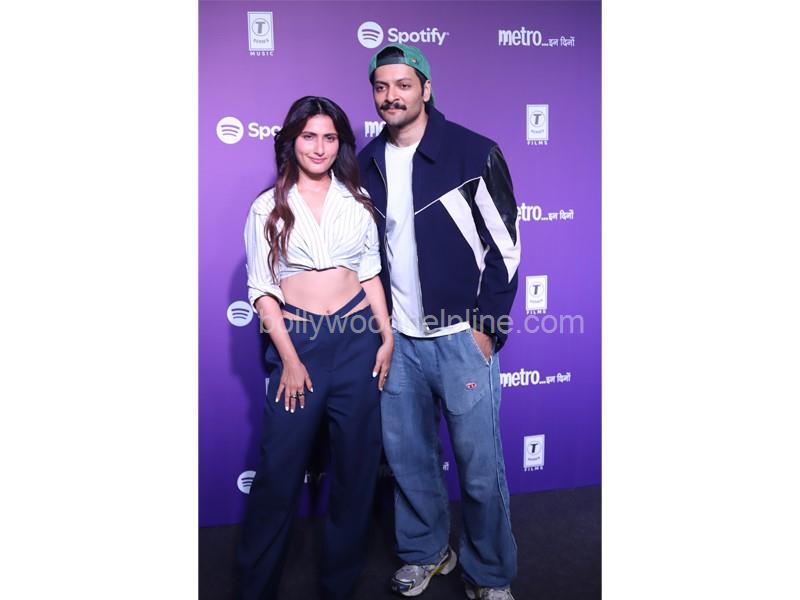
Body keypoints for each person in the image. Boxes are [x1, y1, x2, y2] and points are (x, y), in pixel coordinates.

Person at [356, 45, 521, 600]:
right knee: (408, 462)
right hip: (398, 341)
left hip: (459, 338)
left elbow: (505, 250)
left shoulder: (473, 153)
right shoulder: (366, 162)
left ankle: (489, 574)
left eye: (403, 85)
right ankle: (427, 552)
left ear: (425, 88)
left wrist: (486, 327)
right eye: (382, 87)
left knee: (480, 469)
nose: (391, 96)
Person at [238, 96, 393, 600]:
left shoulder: (358, 201)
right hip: (298, 342)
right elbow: (262, 291)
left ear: (340, 143)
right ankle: (254, 589)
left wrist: (387, 336)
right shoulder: (267, 207)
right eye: (309, 136)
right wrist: (288, 358)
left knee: (355, 472)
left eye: (329, 137)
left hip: (358, 340)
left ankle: (339, 586)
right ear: (291, 142)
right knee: (278, 474)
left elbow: (369, 273)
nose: (320, 147)